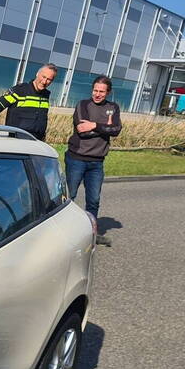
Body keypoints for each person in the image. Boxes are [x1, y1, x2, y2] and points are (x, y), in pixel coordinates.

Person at [66, 75, 122, 246]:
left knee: (94, 200)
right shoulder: (83, 105)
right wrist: (105, 127)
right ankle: (65, 233)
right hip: (77, 158)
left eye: (101, 92)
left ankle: (91, 234)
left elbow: (116, 130)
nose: (97, 94)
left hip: (97, 162)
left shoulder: (113, 108)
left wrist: (94, 125)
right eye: (95, 90)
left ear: (108, 92)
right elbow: (82, 131)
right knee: (69, 197)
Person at [0, 63, 57, 140]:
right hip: (17, 142)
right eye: (43, 77)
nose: (44, 81)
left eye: (49, 79)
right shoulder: (19, 90)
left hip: (37, 142)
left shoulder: (46, 95)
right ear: (37, 74)